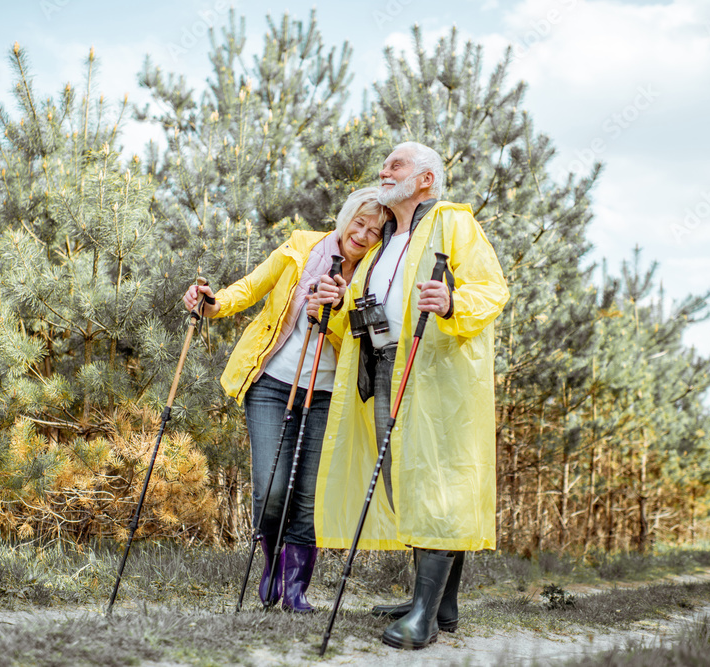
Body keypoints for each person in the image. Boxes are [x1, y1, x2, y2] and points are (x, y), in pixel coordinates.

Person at [309, 142, 510, 648]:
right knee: (405, 481)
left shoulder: (453, 222)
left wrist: (451, 301)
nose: (384, 170)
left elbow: (491, 288)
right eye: (384, 163)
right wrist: (339, 301)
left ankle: (422, 617)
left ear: (425, 179)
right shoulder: (383, 242)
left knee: (435, 482)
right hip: (381, 368)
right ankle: (441, 603)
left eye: (396, 164)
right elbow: (368, 305)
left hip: (432, 371)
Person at [182, 188, 385, 613]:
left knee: (308, 494)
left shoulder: (375, 274)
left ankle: (296, 589)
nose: (363, 235)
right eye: (359, 223)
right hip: (272, 383)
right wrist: (212, 304)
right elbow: (252, 287)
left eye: (375, 230)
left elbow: (364, 342)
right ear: (346, 218)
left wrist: (332, 313)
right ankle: (273, 563)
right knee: (271, 488)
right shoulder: (300, 246)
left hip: (329, 394)